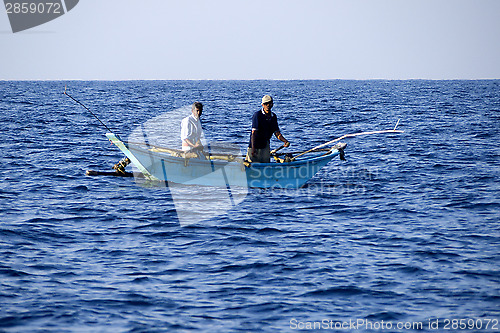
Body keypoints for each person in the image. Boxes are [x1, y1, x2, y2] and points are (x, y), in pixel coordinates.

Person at [246, 95, 290, 163]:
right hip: (255, 144)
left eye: (270, 103)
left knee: (266, 165)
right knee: (252, 165)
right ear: (262, 105)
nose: (268, 105)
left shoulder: (273, 117)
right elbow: (253, 133)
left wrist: (285, 141)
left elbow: (277, 133)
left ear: (272, 104)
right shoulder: (257, 115)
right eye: (266, 104)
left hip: (265, 145)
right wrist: (253, 149)